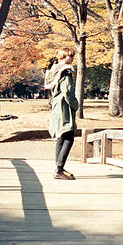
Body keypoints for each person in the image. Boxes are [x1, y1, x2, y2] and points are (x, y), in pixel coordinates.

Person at [46, 47, 79, 180]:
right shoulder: (65, 72)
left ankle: (59, 167)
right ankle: (59, 169)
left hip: (56, 107)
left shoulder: (52, 71)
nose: (72, 59)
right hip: (64, 106)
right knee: (69, 137)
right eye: (71, 56)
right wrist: (75, 105)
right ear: (65, 57)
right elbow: (68, 92)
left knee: (61, 137)